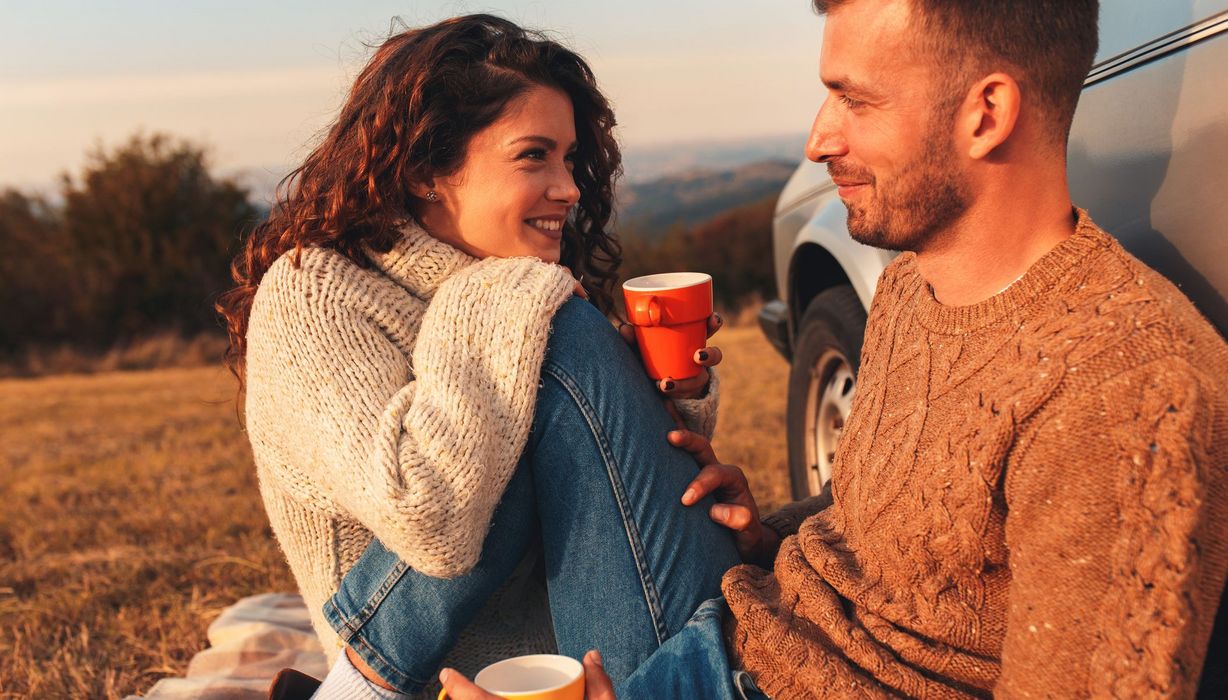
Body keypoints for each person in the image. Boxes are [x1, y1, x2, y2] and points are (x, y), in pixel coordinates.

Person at [435, 0, 1228, 698]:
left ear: (986, 112)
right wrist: (769, 532)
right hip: (743, 627)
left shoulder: (1125, 389)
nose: (818, 140)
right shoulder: (917, 289)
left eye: (854, 99)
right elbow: (916, 533)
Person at [215, 14, 742, 700]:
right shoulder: (316, 295)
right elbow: (430, 520)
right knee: (557, 345)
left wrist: (678, 392)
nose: (570, 187)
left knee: (559, 350)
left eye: (568, 157)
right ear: (430, 170)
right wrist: (504, 295)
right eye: (534, 156)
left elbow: (614, 493)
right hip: (441, 672)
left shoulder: (511, 286)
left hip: (580, 644)